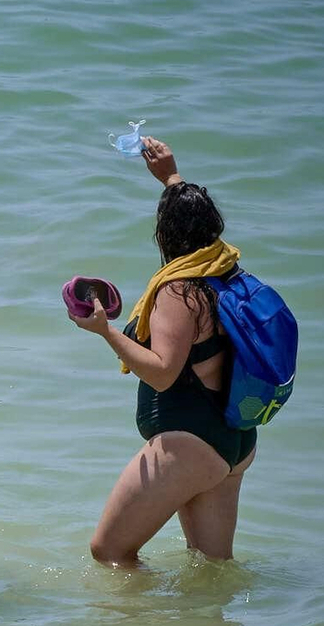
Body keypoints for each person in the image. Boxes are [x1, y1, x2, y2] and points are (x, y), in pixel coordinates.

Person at [73, 137, 256, 566]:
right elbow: (192, 220)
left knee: (110, 551)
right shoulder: (224, 269)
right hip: (234, 438)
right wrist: (171, 176)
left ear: (164, 234)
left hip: (190, 442)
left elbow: (161, 373)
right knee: (211, 569)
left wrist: (105, 331)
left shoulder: (178, 292)